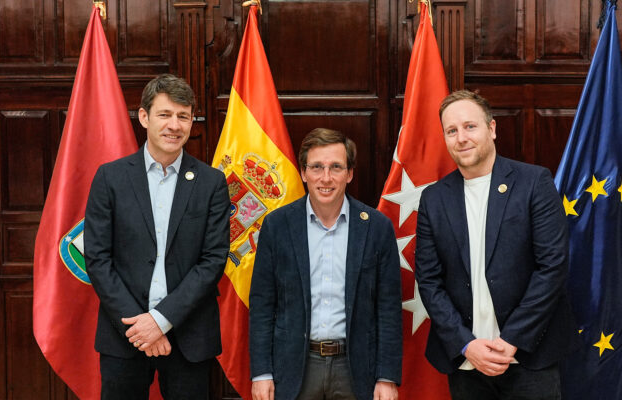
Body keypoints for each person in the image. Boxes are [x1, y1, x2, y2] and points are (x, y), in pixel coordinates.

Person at [414, 90, 578, 400]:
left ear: (492, 129)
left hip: (530, 358)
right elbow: (429, 281)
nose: (461, 137)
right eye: (452, 130)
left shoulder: (534, 183)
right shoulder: (434, 199)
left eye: (470, 126)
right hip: (467, 362)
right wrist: (466, 344)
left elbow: (552, 267)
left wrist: (512, 339)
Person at [84, 74, 230, 399]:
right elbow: (97, 258)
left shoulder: (211, 183)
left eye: (183, 116)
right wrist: (141, 328)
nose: (174, 125)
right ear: (144, 117)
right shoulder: (110, 178)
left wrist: (162, 320)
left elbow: (212, 261)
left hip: (188, 336)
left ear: (192, 121)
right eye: (165, 114)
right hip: (125, 335)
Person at [249, 128, 402, 400]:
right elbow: (262, 305)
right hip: (295, 368)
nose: (326, 178)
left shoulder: (377, 228)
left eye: (336, 167)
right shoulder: (277, 225)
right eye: (317, 167)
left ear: (350, 174)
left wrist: (386, 376)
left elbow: (388, 308)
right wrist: (262, 373)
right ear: (304, 172)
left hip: (356, 370)